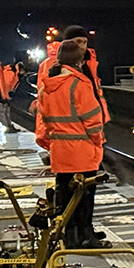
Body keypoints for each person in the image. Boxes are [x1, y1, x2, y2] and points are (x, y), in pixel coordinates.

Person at [35, 40, 105, 248]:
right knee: (84, 197)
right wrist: (98, 141)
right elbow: (93, 120)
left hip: (60, 151)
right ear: (79, 62)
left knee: (64, 196)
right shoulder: (79, 84)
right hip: (82, 151)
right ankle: (86, 236)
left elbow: (45, 119)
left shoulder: (47, 86)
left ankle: (69, 236)